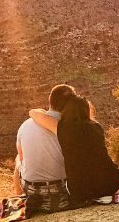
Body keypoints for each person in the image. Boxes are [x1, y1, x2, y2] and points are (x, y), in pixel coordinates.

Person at [29, 94, 119, 206]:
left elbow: (34, 113)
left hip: (80, 192)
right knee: (118, 173)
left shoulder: (62, 129)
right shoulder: (97, 128)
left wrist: (41, 110)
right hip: (111, 185)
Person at [14, 84, 76, 212]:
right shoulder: (70, 127)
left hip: (33, 189)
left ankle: (21, 198)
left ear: (49, 99)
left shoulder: (26, 124)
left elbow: (21, 157)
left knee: (17, 160)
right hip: (64, 188)